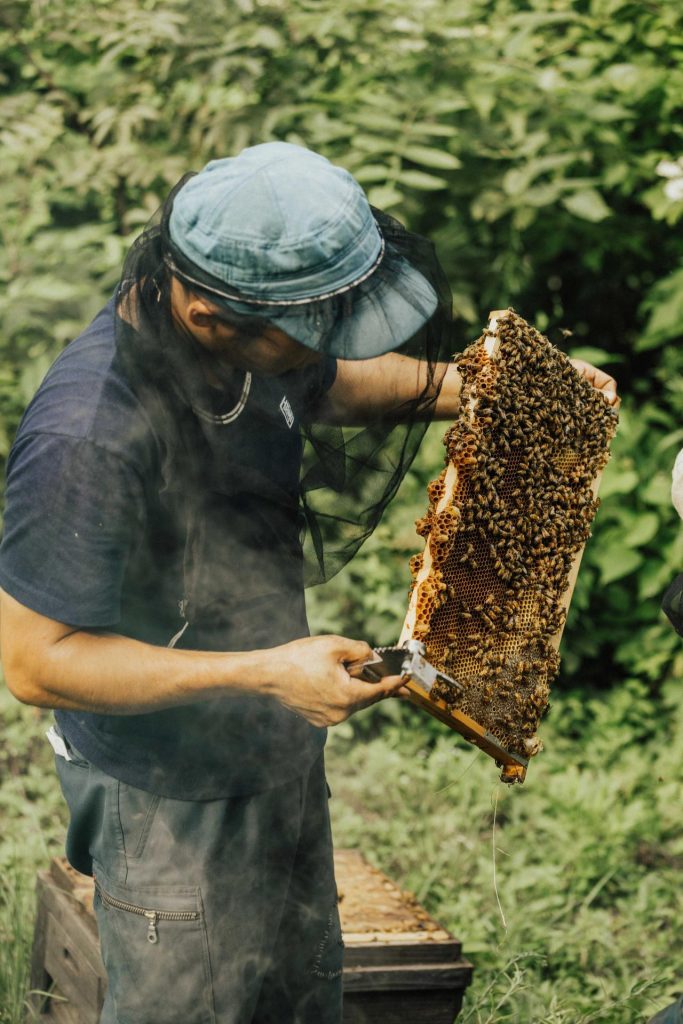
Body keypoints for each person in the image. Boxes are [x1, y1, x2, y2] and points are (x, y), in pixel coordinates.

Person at [0, 142, 617, 1024]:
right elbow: (33, 664)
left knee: (293, 1001)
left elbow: (328, 383)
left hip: (272, 746)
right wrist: (261, 670)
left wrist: (479, 391)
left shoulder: (239, 349)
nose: (320, 347)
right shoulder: (88, 435)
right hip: (164, 790)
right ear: (209, 312)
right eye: (309, 329)